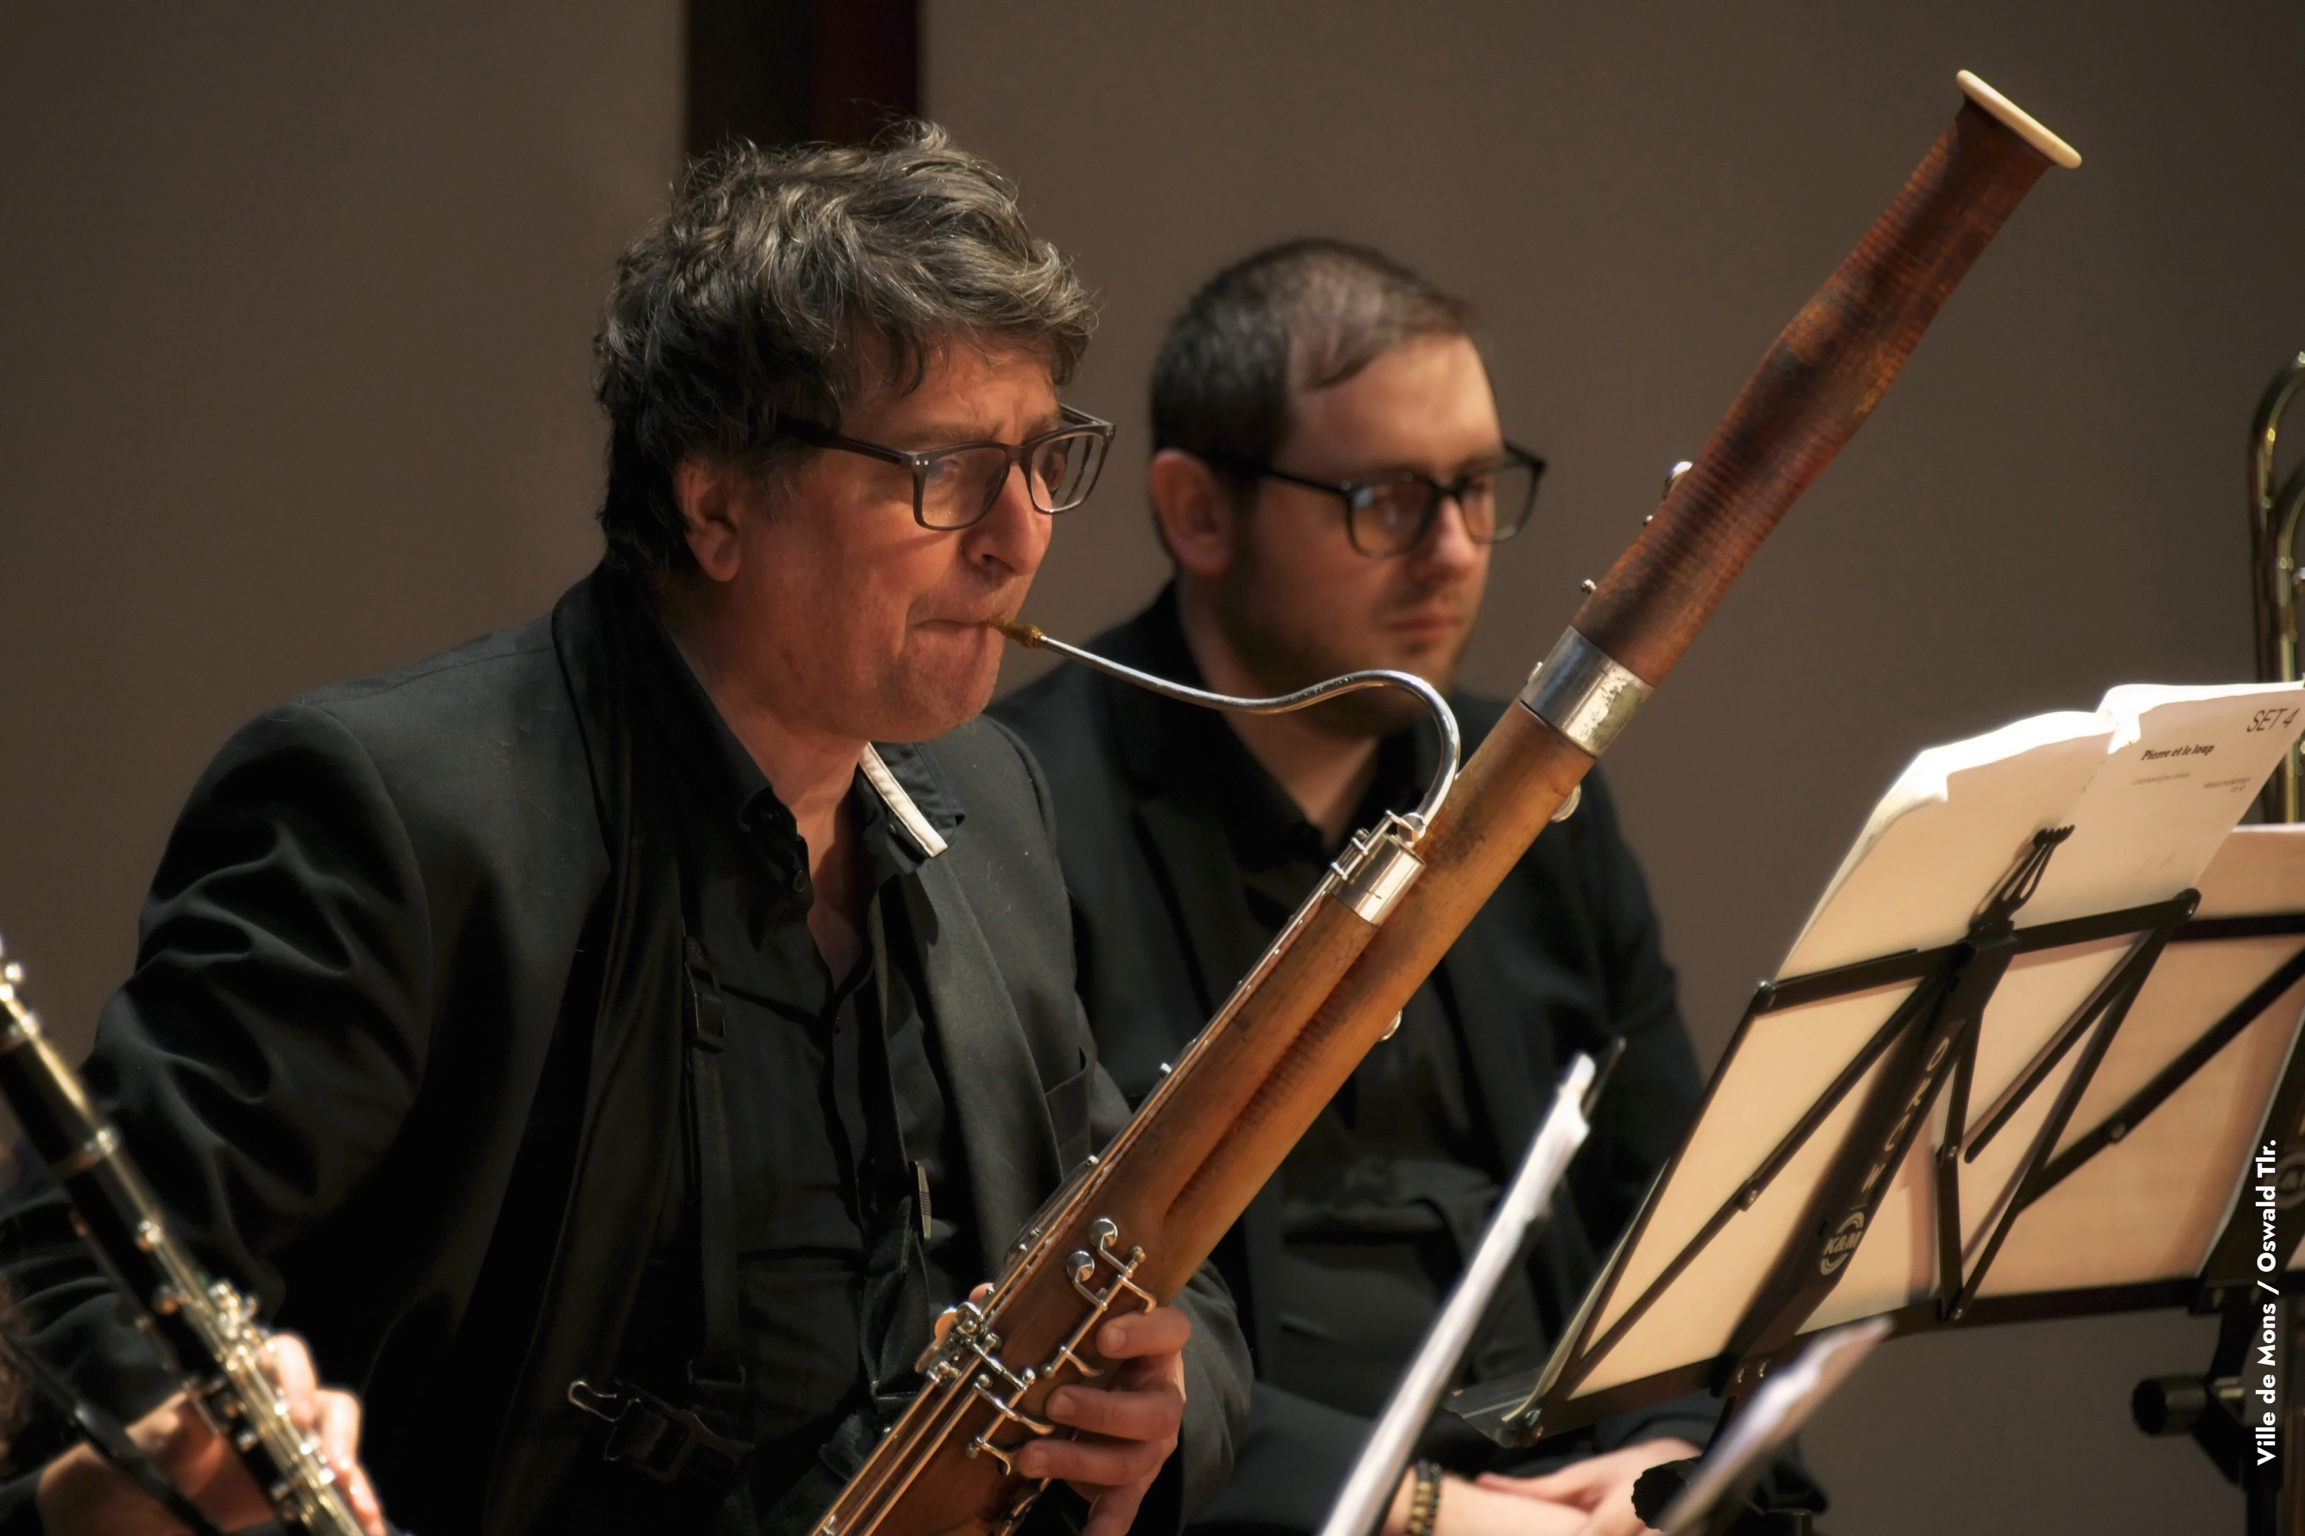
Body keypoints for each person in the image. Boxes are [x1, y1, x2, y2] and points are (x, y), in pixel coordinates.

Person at [0, 128, 1250, 1536]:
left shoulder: (989, 794)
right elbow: (82, 1287)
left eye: (1040, 460)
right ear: (716, 504)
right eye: (947, 470)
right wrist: (175, 1458)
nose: (1019, 536)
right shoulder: (397, 814)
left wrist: (1160, 1406)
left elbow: (1144, 1255)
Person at [995, 241, 1794, 1536]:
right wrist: (1426, 1515)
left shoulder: (1536, 804)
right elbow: (1065, 1341)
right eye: (1386, 501)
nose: (1454, 550)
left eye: (1475, 489)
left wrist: (1660, 1468)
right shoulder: (1018, 819)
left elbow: (1677, 1221)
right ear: (1198, 512)